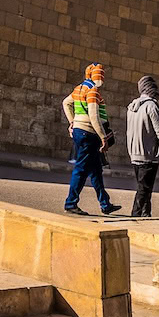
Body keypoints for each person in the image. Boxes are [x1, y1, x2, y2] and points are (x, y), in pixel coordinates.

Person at [62, 63, 120, 216]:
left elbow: (66, 103)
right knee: (81, 169)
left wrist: (73, 122)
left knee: (96, 171)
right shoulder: (92, 90)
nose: (102, 78)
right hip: (89, 134)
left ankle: (105, 204)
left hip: (80, 132)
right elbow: (94, 117)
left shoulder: (79, 88)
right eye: (100, 75)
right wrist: (103, 138)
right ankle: (70, 203)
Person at [125, 75, 159, 218]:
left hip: (135, 152)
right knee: (144, 188)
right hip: (149, 153)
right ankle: (136, 214)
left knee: (145, 186)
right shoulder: (152, 106)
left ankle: (145, 213)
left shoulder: (132, 107)